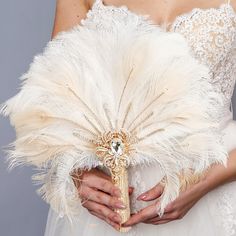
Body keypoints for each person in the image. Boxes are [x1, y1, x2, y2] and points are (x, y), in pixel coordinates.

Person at [43, 0, 236, 235]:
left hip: (219, 175)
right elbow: (52, 102)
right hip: (114, 200)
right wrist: (76, 174)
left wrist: (204, 181)